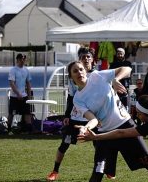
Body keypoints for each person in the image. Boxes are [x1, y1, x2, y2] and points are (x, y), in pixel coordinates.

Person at [69, 62, 148, 182]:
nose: (79, 72)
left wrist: (116, 79)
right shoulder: (78, 99)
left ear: (85, 71)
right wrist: (85, 128)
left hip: (126, 127)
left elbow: (127, 69)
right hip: (105, 135)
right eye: (75, 71)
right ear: (71, 77)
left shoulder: (97, 76)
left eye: (81, 69)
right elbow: (93, 119)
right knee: (98, 171)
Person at [47, 48, 116, 181]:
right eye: (83, 57)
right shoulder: (74, 77)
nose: (86, 59)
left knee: (101, 145)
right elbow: (70, 97)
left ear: (92, 60)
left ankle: (106, 169)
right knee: (64, 144)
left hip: (93, 118)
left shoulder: (98, 75)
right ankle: (55, 171)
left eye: (88, 57)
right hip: (76, 118)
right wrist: (67, 115)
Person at [7, 53, 32, 133]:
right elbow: (12, 83)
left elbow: (28, 83)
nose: (23, 60)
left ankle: (29, 130)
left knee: (27, 113)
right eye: (21, 59)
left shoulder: (26, 70)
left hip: (24, 96)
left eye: (24, 59)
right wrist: (18, 94)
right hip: (15, 96)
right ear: (17, 60)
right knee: (12, 113)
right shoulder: (13, 70)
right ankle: (8, 129)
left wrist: (29, 95)